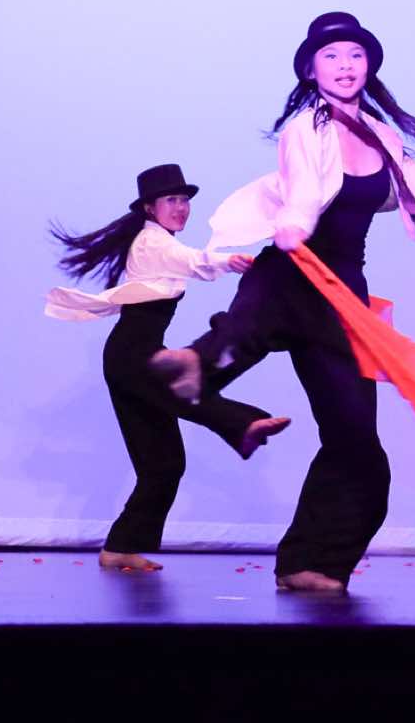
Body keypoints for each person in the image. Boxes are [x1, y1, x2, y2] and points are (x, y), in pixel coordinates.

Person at [152, 12, 415, 592]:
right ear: (311, 71)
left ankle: (311, 562)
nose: (345, 65)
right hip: (294, 265)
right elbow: (304, 187)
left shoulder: (385, 138)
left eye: (355, 55)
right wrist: (294, 224)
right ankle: (200, 362)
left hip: (342, 291)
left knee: (357, 442)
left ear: (369, 67)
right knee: (255, 317)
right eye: (331, 56)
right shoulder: (304, 128)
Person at [47, 163, 291, 572]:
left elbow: (183, 260)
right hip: (133, 356)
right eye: (171, 200)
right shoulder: (151, 242)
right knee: (187, 392)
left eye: (184, 200)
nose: (181, 208)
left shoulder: (154, 240)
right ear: (149, 208)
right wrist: (227, 261)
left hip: (133, 356)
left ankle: (120, 547)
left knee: (163, 465)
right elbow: (189, 260)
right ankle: (245, 424)